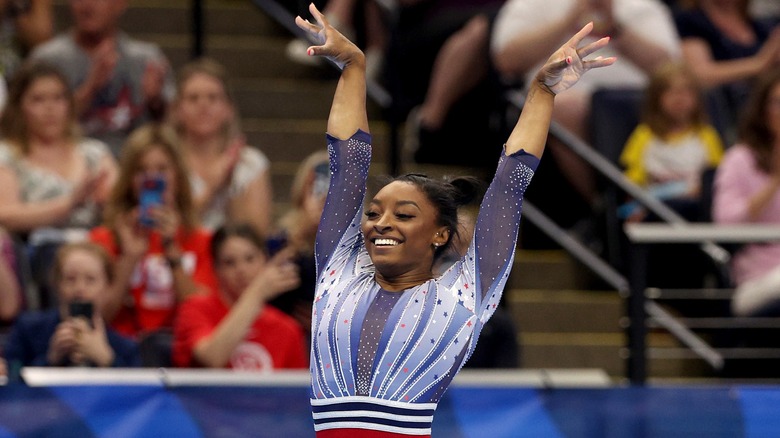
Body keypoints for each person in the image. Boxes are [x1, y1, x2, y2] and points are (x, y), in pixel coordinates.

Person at [295, 3, 614, 435]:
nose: (380, 222)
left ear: (440, 234)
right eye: (373, 213)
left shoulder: (463, 297)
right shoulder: (337, 272)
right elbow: (348, 164)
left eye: (404, 214)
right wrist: (354, 67)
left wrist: (542, 91)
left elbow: (509, 185)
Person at [491, 0, 680, 214]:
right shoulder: (531, 5)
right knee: (564, 106)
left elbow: (671, 67)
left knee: (677, 102)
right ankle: (605, 209)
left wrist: (614, 28)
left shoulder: (642, 6)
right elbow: (506, 60)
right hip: (564, 98)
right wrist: (570, 22)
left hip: (636, 102)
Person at [0, 61, 117, 308]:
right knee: (59, 255)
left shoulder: (94, 153)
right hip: (37, 254)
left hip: (97, 248)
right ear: (20, 107)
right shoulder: (7, 156)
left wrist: (106, 203)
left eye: (58, 98)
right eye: (38, 100)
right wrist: (67, 205)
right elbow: (5, 214)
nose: (50, 109)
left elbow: (119, 205)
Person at [90, 124, 217, 339]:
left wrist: (173, 254)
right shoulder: (103, 239)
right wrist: (129, 259)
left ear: (177, 175)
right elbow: (98, 317)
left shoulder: (203, 240)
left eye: (162, 170)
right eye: (141, 171)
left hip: (180, 351)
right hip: (122, 352)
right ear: (129, 179)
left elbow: (206, 319)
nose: (151, 179)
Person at [29, 0, 174, 157]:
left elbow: (175, 130)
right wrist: (90, 88)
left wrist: (156, 103)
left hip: (133, 168)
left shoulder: (146, 59)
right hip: (67, 165)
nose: (87, 5)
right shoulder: (46, 60)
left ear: (120, 4)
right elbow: (28, 125)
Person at [172, 224, 307, 370]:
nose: (241, 270)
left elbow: (296, 389)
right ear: (215, 268)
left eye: (250, 259)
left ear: (264, 260)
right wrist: (256, 294)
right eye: (229, 263)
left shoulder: (288, 330)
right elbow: (212, 359)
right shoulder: (195, 309)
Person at [171, 58, 273, 236]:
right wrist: (212, 187)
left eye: (213, 97)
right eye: (193, 98)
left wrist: (230, 185)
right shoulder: (166, 161)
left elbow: (257, 237)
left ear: (229, 108)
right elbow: (167, 230)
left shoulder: (251, 162)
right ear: (178, 109)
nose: (203, 105)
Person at [3, 242, 141, 370]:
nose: (79, 289)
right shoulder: (28, 331)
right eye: (70, 279)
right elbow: (12, 382)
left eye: (90, 280)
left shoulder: (125, 348)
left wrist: (108, 360)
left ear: (107, 287)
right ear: (57, 284)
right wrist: (51, 360)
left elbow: (138, 392)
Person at [619, 62, 724, 222]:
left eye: (687, 91)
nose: (679, 98)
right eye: (671, 91)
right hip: (654, 210)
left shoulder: (707, 135)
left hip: (696, 212)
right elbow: (632, 183)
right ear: (656, 98)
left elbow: (717, 179)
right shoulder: (644, 135)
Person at [712, 69, 780, 317]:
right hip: (757, 276)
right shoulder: (739, 159)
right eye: (778, 103)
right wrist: (774, 180)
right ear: (763, 110)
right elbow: (726, 224)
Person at [674, 0, 780, 141]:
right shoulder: (690, 21)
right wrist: (759, 64)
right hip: (729, 112)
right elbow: (699, 74)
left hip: (765, 104)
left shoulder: (760, 24)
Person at [267, 150, 329, 336]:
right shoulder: (280, 242)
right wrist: (304, 231)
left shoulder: (367, 243)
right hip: (291, 336)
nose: (325, 197)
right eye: (317, 187)